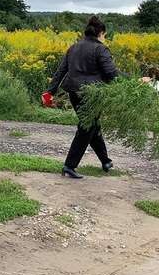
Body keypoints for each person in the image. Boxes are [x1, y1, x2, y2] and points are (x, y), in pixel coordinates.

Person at [43, 16, 120, 179]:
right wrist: (135, 82)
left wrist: (50, 91)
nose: (104, 38)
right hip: (92, 94)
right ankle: (69, 166)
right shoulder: (100, 49)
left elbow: (60, 71)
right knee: (87, 127)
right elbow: (111, 73)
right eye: (104, 35)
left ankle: (105, 161)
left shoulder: (73, 47)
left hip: (74, 94)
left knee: (92, 126)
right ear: (101, 33)